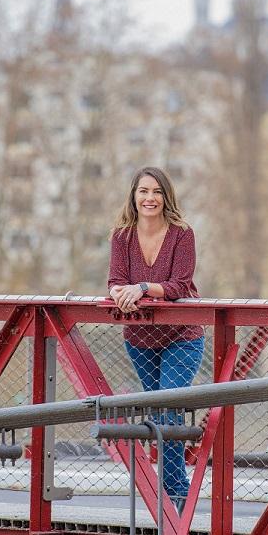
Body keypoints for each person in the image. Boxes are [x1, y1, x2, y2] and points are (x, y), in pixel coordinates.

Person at [107, 166, 204, 510]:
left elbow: (180, 285)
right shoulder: (121, 236)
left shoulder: (182, 234)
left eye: (157, 192)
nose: (150, 198)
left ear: (166, 197)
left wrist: (144, 288)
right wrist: (120, 292)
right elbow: (115, 280)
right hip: (139, 339)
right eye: (143, 191)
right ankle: (172, 494)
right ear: (133, 196)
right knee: (160, 414)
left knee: (168, 412)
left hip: (182, 336)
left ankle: (175, 496)